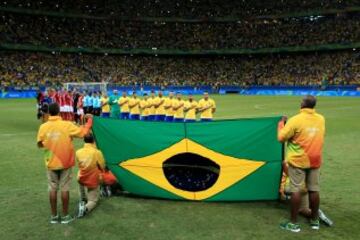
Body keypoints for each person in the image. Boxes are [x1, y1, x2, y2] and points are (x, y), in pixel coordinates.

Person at [37, 103, 93, 224]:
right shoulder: (67, 125)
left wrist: (50, 144)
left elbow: (40, 144)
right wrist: (89, 123)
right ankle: (65, 216)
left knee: (52, 188)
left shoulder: (43, 127)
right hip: (65, 161)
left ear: (48, 113)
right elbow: (83, 133)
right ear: (59, 112)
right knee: (65, 188)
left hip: (51, 161)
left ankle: (54, 216)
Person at [278, 95, 325, 232]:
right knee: (314, 189)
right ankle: (315, 221)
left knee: (296, 190)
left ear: (302, 104)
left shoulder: (296, 120)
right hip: (315, 158)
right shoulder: (321, 119)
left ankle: (293, 224)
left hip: (299, 160)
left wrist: (281, 123)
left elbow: (281, 138)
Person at [279, 161, 333, 227]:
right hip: (305, 187)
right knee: (305, 207)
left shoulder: (288, 161)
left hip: (294, 187)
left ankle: (293, 223)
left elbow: (291, 177)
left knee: (295, 191)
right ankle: (317, 215)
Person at [76, 133, 105, 218]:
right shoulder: (97, 152)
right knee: (93, 200)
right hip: (92, 179)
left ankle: (82, 198)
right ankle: (85, 208)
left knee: (79, 176)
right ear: (93, 141)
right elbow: (102, 166)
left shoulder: (78, 152)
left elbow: (80, 164)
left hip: (81, 177)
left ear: (84, 140)